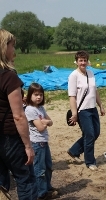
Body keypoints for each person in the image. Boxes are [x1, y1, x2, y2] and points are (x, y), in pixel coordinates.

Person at [0, 29, 37, 199]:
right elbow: (18, 116)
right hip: (10, 138)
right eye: (12, 46)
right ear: (3, 48)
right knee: (26, 179)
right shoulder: (9, 77)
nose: (14, 50)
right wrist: (28, 146)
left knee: (2, 181)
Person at [67, 50, 105, 171]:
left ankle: (74, 151)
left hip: (92, 108)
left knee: (96, 132)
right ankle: (90, 162)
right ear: (76, 62)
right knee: (89, 135)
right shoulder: (73, 75)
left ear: (88, 61)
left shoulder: (90, 73)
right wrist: (74, 113)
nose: (83, 62)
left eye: (85, 60)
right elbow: (72, 96)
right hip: (82, 110)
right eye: (80, 60)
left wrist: (101, 105)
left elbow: (95, 90)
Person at [25, 83, 58, 200]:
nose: (38, 97)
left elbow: (51, 121)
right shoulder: (29, 110)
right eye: (35, 95)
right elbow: (40, 128)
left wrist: (45, 121)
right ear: (30, 95)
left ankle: (47, 187)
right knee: (40, 170)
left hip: (44, 142)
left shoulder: (41, 108)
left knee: (48, 166)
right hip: (37, 143)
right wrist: (45, 122)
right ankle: (41, 193)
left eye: (40, 95)